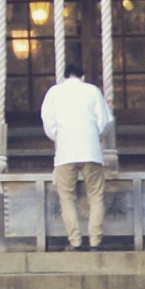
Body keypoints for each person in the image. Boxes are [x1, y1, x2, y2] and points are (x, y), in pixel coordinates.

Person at [41, 65, 114, 249]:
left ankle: (75, 241)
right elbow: (105, 120)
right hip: (90, 150)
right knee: (96, 196)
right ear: (82, 75)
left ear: (65, 75)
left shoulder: (54, 92)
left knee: (67, 198)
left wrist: (59, 136)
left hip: (65, 151)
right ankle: (95, 241)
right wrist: (95, 134)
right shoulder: (92, 90)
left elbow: (48, 122)